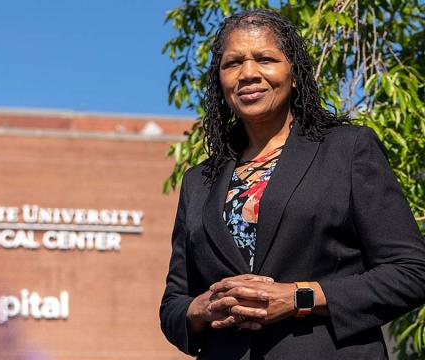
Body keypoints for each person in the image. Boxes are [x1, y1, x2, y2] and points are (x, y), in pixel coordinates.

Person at [159, 8, 425, 359]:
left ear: (295, 74)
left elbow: (411, 273)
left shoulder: (347, 150)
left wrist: (300, 297)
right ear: (219, 80)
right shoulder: (199, 181)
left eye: (265, 59)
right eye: (233, 63)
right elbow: (174, 305)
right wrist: (205, 307)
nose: (248, 73)